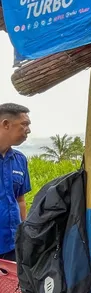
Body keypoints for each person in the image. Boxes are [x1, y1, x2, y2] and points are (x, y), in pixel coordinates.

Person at [0, 103, 31, 260]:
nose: (28, 130)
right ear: (6, 124)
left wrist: (23, 233)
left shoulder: (20, 160)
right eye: (24, 124)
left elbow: (20, 200)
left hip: (12, 245)